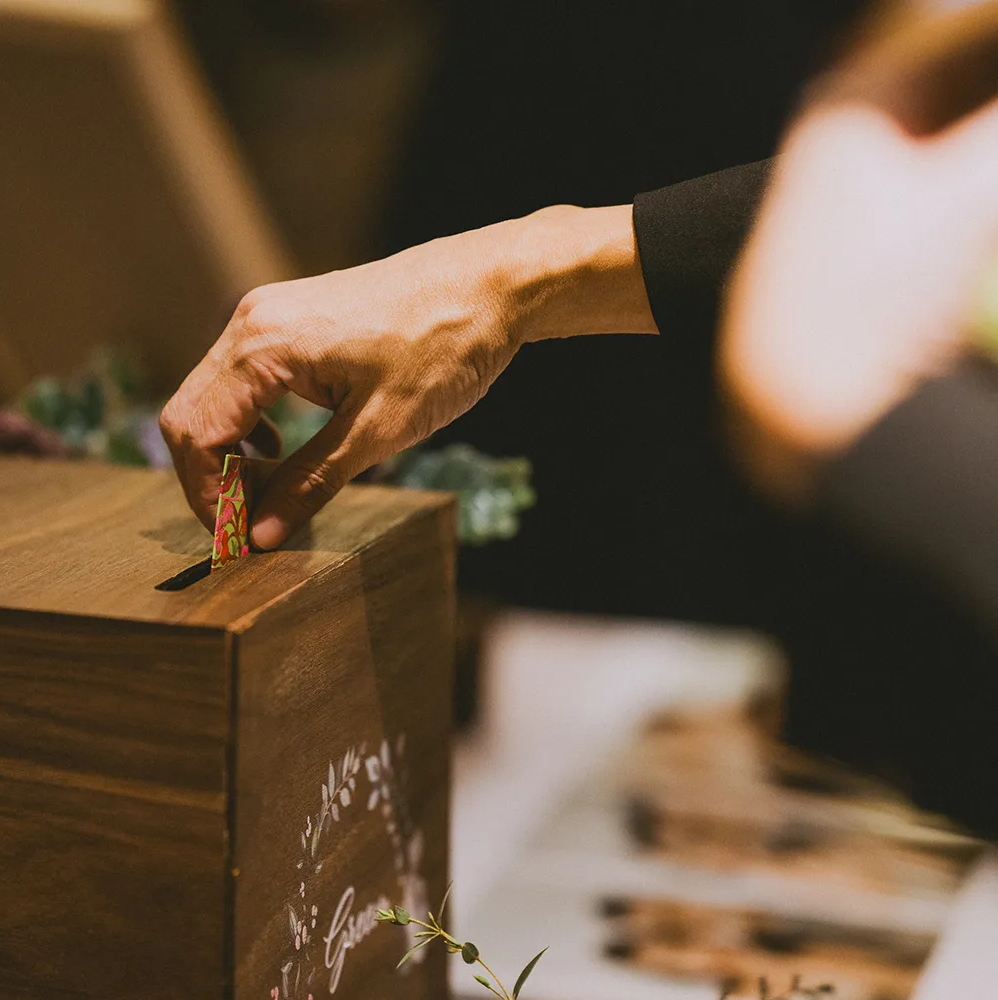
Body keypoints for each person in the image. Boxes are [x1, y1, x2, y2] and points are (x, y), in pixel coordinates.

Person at [160, 2, 998, 823]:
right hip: (528, 149)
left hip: (693, 331)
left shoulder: (867, 260)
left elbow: (817, 375)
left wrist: (518, 275)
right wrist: (500, 276)